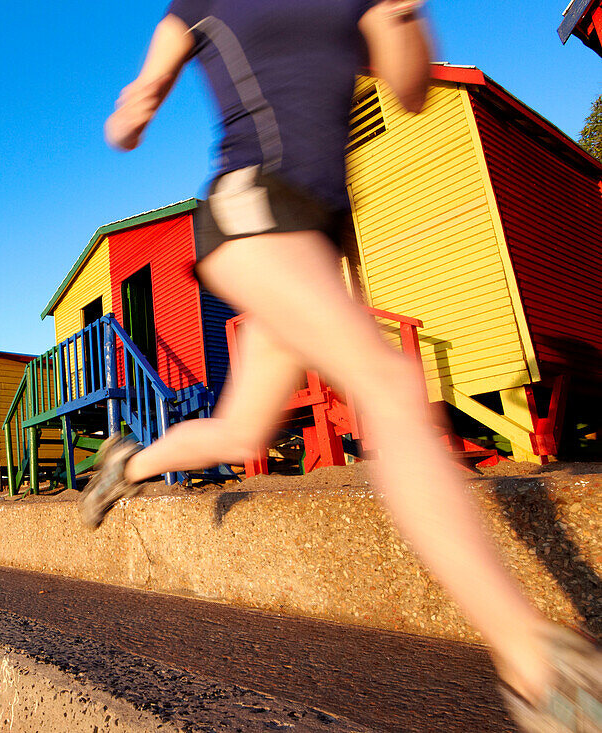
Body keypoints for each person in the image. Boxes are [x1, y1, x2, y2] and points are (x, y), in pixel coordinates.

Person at [79, 1, 602, 729]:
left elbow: (410, 88)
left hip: (316, 240)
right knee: (387, 383)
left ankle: (127, 465)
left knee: (239, 434)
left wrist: (401, 16)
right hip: (253, 209)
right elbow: (140, 97)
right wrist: (135, 107)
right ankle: (534, 663)